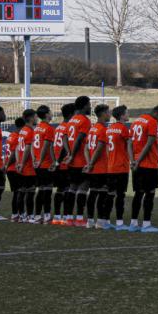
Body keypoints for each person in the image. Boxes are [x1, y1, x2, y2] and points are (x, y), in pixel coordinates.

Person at [128, 105, 158, 233]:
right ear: (157, 113)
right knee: (150, 193)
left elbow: (129, 142)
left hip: (137, 164)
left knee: (138, 193)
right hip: (148, 164)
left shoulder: (136, 121)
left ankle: (133, 223)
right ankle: (146, 224)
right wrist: (138, 161)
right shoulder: (152, 121)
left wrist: (133, 160)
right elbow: (149, 144)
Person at [63, 95, 93, 227]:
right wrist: (73, 153)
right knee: (83, 189)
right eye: (89, 104)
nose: (90, 107)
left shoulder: (72, 120)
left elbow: (64, 137)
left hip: (71, 162)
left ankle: (69, 218)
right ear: (85, 105)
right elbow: (80, 138)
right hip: (81, 160)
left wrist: (69, 153)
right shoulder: (85, 120)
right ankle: (80, 218)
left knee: (72, 188)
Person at [82, 104, 111, 229]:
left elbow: (86, 149)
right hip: (101, 167)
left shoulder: (92, 129)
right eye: (108, 112)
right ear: (104, 114)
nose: (110, 114)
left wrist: (89, 164)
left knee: (93, 193)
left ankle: (89, 220)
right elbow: (99, 149)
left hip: (93, 168)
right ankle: (100, 221)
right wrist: (92, 163)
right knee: (102, 194)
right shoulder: (103, 129)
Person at [104, 106, 131, 230]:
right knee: (120, 195)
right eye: (126, 113)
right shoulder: (123, 129)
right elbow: (129, 147)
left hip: (110, 167)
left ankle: (106, 220)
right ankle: (119, 223)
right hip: (121, 167)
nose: (128, 114)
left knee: (110, 195)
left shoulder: (109, 129)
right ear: (121, 116)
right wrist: (133, 161)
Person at [30, 105, 56, 224]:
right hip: (45, 164)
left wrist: (35, 158)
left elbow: (31, 145)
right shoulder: (48, 128)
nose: (52, 113)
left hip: (38, 164)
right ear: (46, 114)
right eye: (50, 111)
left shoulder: (37, 128)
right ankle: (46, 216)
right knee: (47, 190)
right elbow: (47, 146)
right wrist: (51, 161)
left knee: (40, 190)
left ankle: (36, 216)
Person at [49, 104, 74, 225]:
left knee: (60, 189)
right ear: (70, 114)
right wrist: (59, 161)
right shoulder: (69, 127)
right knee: (68, 190)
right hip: (65, 163)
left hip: (58, 163)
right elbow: (65, 147)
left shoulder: (58, 127)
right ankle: (67, 216)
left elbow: (52, 146)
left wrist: (55, 161)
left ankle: (57, 216)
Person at [14, 110, 37, 223]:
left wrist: (18, 163)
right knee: (30, 192)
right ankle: (29, 216)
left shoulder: (22, 130)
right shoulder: (30, 131)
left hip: (21, 166)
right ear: (31, 118)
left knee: (21, 191)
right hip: (27, 167)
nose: (37, 118)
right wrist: (22, 163)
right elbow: (27, 149)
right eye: (35, 116)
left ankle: (21, 215)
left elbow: (18, 148)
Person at [5, 117, 23, 221]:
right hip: (14, 168)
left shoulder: (11, 136)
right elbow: (13, 154)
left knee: (16, 192)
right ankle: (19, 215)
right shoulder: (17, 137)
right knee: (19, 192)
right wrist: (7, 164)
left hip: (10, 169)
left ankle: (15, 214)